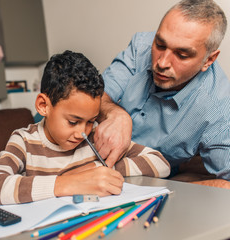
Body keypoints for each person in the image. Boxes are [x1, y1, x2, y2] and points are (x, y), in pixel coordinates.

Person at [0, 50, 170, 205]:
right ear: (43, 106)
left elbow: (160, 163)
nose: (82, 133)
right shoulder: (25, 141)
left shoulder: (96, 134)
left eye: (90, 120)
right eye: (73, 121)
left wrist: (98, 171)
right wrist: (67, 183)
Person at [96, 0, 230, 187]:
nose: (162, 62)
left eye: (182, 54)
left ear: (209, 60)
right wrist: (116, 114)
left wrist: (172, 189)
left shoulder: (219, 113)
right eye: (160, 44)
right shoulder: (141, 46)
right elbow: (95, 95)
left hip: (143, 181)